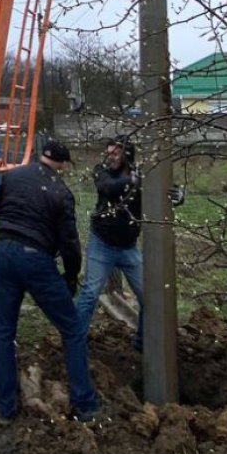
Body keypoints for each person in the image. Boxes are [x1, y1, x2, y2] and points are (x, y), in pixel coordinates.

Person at [0, 140, 101, 423]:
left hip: (4, 251)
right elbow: (69, 243)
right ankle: (85, 404)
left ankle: (4, 408)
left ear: (42, 156)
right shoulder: (60, 192)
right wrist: (70, 276)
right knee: (72, 329)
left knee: (4, 332)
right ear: (62, 165)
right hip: (36, 259)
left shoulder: (13, 175)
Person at [74, 135, 183, 351]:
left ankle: (141, 342)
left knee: (149, 297)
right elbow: (109, 187)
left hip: (128, 248)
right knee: (89, 294)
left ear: (127, 154)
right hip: (102, 244)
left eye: (115, 153)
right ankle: (75, 342)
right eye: (109, 152)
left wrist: (178, 195)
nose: (110, 157)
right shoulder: (101, 171)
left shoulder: (141, 177)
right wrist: (138, 180)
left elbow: (164, 190)